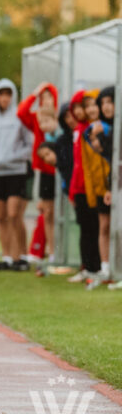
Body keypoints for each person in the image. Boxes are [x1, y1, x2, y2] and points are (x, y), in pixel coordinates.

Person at [0, 79, 32, 271]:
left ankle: (21, 254)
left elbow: (29, 145)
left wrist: (11, 157)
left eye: (8, 94)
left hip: (16, 171)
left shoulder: (20, 117)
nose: (4, 98)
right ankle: (7, 257)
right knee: (1, 216)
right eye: (1, 94)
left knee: (14, 214)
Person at [17, 82, 59, 263]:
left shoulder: (61, 119)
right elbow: (21, 113)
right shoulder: (37, 119)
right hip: (45, 171)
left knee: (59, 213)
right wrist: (34, 94)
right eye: (43, 98)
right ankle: (52, 252)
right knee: (47, 212)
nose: (46, 101)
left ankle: (60, 250)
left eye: (49, 97)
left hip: (59, 172)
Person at [66, 90, 101, 284]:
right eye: (78, 108)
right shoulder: (79, 130)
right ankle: (87, 267)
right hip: (79, 188)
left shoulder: (93, 129)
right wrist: (72, 189)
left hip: (93, 188)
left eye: (84, 107)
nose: (80, 112)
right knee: (85, 229)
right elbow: (77, 164)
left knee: (95, 228)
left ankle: (96, 267)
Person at [82, 87, 113, 289]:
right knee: (104, 226)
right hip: (107, 186)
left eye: (110, 102)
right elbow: (88, 136)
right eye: (102, 103)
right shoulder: (99, 127)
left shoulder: (111, 128)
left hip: (113, 185)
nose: (105, 107)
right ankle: (105, 267)